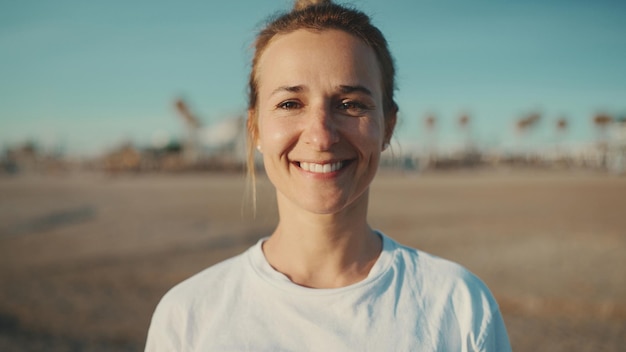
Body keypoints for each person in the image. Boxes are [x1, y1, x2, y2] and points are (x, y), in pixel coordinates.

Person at [145, 0, 512, 350]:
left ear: (388, 127)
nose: (321, 136)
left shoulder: (459, 307)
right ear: (255, 128)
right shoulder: (189, 315)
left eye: (351, 105)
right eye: (290, 104)